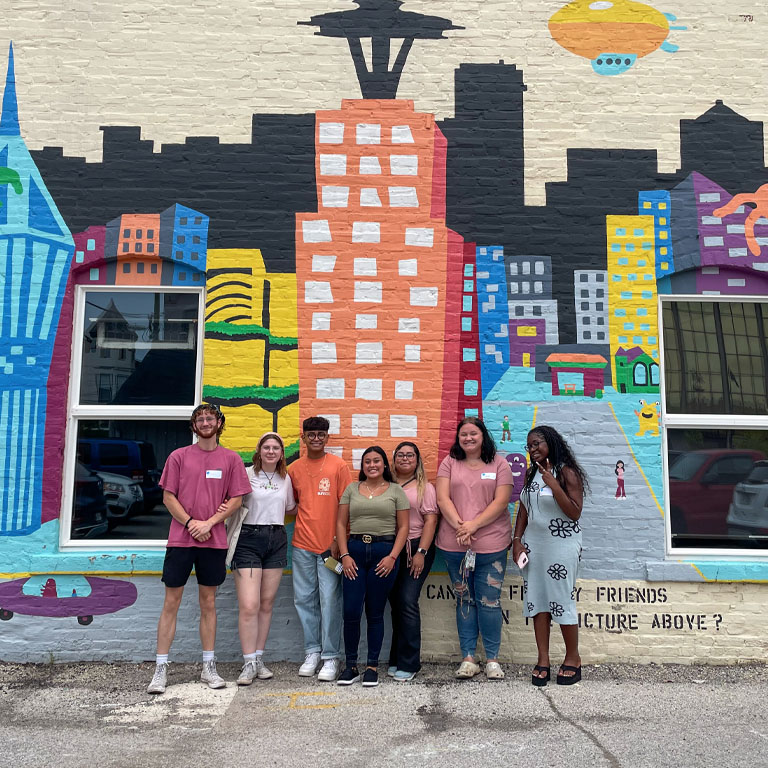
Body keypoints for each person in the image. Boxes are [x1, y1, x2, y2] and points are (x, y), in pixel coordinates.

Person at [147, 404, 251, 695]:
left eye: (210, 418)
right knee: (171, 604)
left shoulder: (231, 459)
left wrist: (210, 523)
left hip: (214, 542)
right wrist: (193, 523)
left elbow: (236, 501)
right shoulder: (178, 457)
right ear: (194, 426)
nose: (205, 422)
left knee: (209, 604)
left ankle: (208, 666)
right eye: (199, 419)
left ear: (219, 423)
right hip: (181, 541)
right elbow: (168, 497)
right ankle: (160, 668)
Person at [436, 417, 513, 681]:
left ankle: (492, 659)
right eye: (463, 435)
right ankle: (468, 658)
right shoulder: (449, 463)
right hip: (454, 545)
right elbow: (442, 497)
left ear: (483, 436)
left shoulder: (499, 464)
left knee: (490, 602)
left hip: (492, 546)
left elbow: (501, 501)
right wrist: (461, 526)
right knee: (464, 600)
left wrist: (473, 526)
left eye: (473, 434)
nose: (468, 438)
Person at [512, 425, 588, 687]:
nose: (532, 450)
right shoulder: (531, 473)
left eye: (537, 444)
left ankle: (573, 658)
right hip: (534, 544)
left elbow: (575, 512)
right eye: (529, 446)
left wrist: (555, 485)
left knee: (560, 598)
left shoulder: (566, 471)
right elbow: (524, 509)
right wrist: (517, 540)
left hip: (562, 544)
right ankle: (542, 659)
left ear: (551, 443)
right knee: (537, 599)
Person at [224, 432, 295, 685]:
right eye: (267, 447)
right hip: (248, 538)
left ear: (281, 453)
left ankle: (259, 658)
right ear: (259, 450)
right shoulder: (245, 473)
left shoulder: (285, 479)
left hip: (276, 538)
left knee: (266, 603)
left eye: (276, 447)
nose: (271, 451)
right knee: (249, 605)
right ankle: (248, 662)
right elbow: (231, 502)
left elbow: (290, 508)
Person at [336, 446, 410, 687]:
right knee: (350, 611)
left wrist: (392, 557)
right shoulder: (351, 489)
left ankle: (372, 666)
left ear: (384, 465)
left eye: (376, 461)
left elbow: (404, 528)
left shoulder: (396, 491)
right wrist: (345, 555)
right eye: (367, 461)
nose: (372, 465)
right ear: (363, 466)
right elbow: (340, 524)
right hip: (355, 552)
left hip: (384, 553)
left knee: (375, 612)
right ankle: (350, 666)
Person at [288, 416, 352, 682]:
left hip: (330, 548)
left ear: (327, 437)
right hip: (302, 544)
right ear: (303, 438)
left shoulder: (338, 466)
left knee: (329, 601)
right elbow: (291, 506)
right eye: (311, 434)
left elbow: (347, 508)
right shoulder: (293, 469)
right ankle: (312, 652)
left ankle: (330, 656)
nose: (316, 438)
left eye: (320, 434)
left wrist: (340, 541)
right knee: (304, 600)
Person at [387, 441, 439, 682]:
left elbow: (430, 521)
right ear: (394, 459)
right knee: (395, 602)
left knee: (407, 600)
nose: (405, 458)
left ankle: (410, 662)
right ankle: (396, 658)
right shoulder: (386, 485)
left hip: (416, 547)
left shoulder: (425, 488)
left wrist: (422, 552)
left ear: (417, 461)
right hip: (390, 549)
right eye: (401, 455)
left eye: (410, 455)